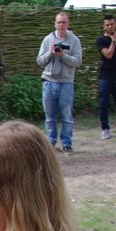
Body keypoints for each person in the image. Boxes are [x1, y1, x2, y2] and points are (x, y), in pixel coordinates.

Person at [36, 11, 82, 153]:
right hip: (49, 82)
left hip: (66, 82)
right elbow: (40, 61)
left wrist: (63, 56)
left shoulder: (74, 40)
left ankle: (67, 143)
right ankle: (51, 142)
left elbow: (78, 61)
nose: (61, 25)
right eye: (59, 22)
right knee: (49, 116)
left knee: (67, 116)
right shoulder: (47, 40)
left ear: (68, 24)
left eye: (64, 22)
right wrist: (50, 53)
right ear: (55, 24)